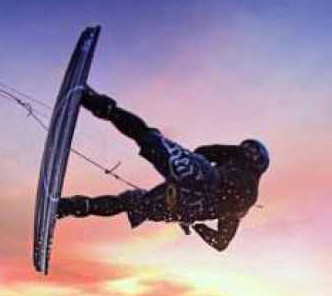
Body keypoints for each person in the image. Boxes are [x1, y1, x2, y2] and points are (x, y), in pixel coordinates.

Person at [57, 88, 269, 251]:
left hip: (204, 180)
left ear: (258, 161)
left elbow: (204, 151)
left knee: (149, 138)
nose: (246, 149)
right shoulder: (240, 209)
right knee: (132, 202)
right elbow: (221, 243)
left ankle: (95, 102)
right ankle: (69, 207)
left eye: (250, 149)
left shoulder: (241, 161)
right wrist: (195, 223)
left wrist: (187, 168)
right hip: (192, 206)